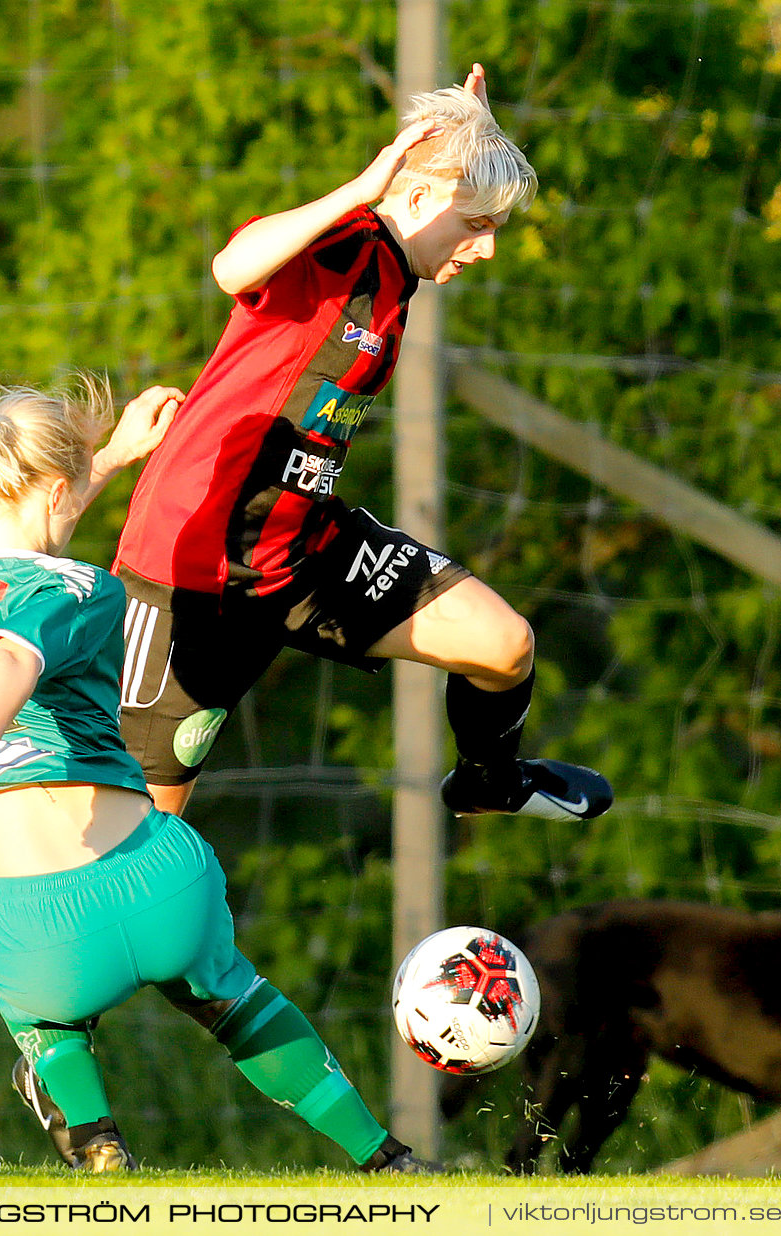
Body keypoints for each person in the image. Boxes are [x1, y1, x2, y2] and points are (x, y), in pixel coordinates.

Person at [0, 381, 434, 1173]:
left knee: (10, 971)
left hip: (45, 939)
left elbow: (12, 594)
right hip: (158, 888)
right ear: (55, 488)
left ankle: (93, 1132)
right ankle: (384, 1158)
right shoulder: (87, 590)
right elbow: (17, 656)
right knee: (233, 995)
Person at [110, 65, 612, 824]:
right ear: (411, 199)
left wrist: (471, 139)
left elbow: (438, 190)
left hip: (305, 550)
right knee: (142, 842)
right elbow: (230, 267)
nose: (487, 252)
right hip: (196, 571)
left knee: (504, 645)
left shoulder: (398, 273)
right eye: (479, 227)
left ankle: (488, 781)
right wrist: (365, 187)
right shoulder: (346, 241)